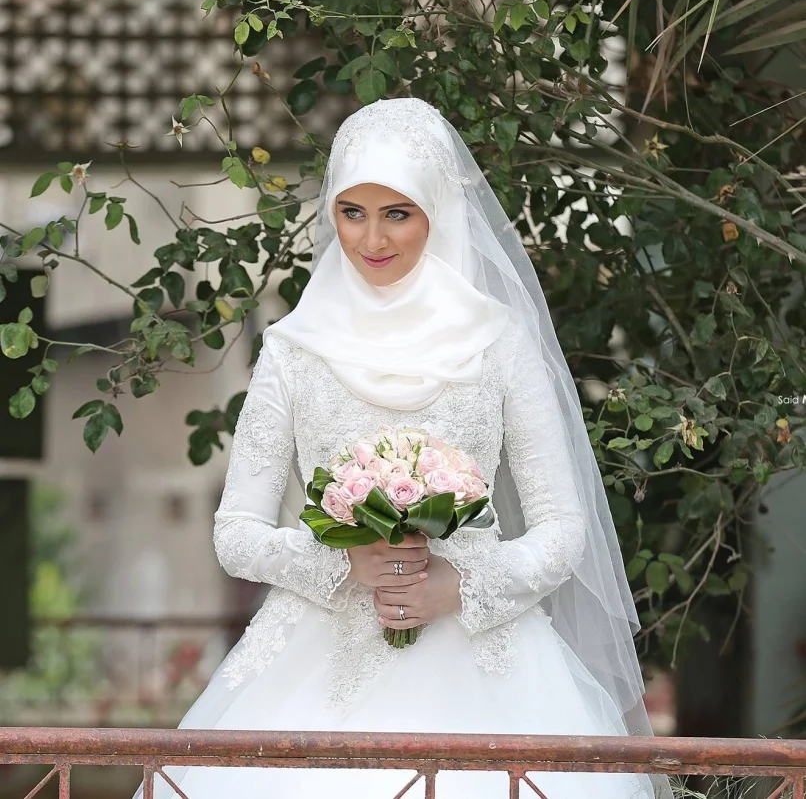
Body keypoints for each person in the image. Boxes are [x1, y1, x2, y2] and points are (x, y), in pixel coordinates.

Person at [133, 97, 673, 799]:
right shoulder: (293, 350)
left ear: (439, 211)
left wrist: (463, 587)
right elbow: (236, 534)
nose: (371, 239)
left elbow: (564, 530)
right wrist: (344, 563)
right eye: (352, 212)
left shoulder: (500, 341)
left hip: (490, 657)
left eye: (398, 213)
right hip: (314, 660)